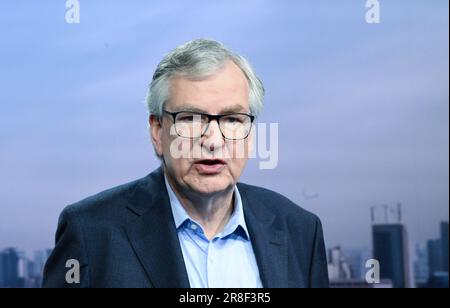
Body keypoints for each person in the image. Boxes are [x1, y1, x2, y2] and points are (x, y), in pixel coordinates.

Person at [43, 39, 329, 288]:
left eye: (232, 120)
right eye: (191, 119)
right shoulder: (91, 232)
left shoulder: (301, 230)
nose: (213, 140)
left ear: (250, 133)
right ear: (158, 132)